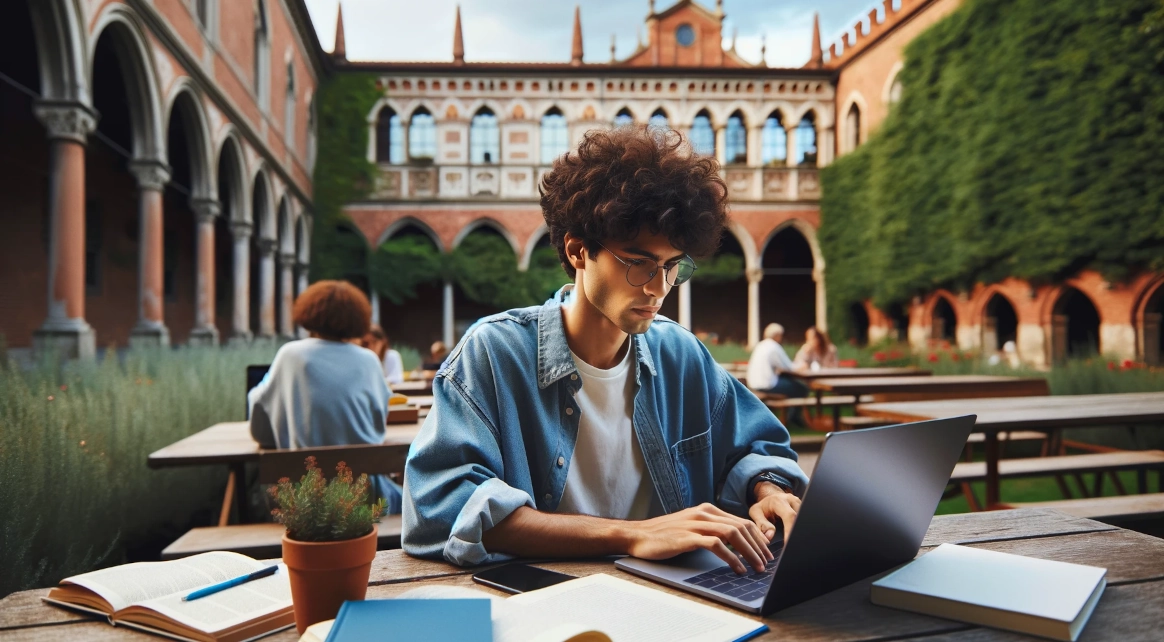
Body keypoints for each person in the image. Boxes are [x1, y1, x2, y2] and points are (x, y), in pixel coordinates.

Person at [403, 125, 807, 576]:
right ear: (578, 251)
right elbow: (440, 504)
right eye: (639, 263)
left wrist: (768, 491)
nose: (659, 288)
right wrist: (634, 534)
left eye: (673, 266)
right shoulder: (494, 354)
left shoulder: (681, 355)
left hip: (680, 595)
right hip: (546, 599)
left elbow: (755, 445)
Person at [248, 280, 403, 513]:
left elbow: (260, 431)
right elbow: (377, 428)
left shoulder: (290, 355)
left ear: (308, 313)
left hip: (303, 503)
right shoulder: (368, 360)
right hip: (364, 497)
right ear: (358, 319)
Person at [746, 323, 809, 426]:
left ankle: (790, 417)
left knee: (791, 385)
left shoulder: (760, 345)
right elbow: (788, 367)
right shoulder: (774, 346)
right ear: (777, 335)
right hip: (767, 385)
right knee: (801, 389)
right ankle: (793, 417)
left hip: (753, 384)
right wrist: (802, 365)